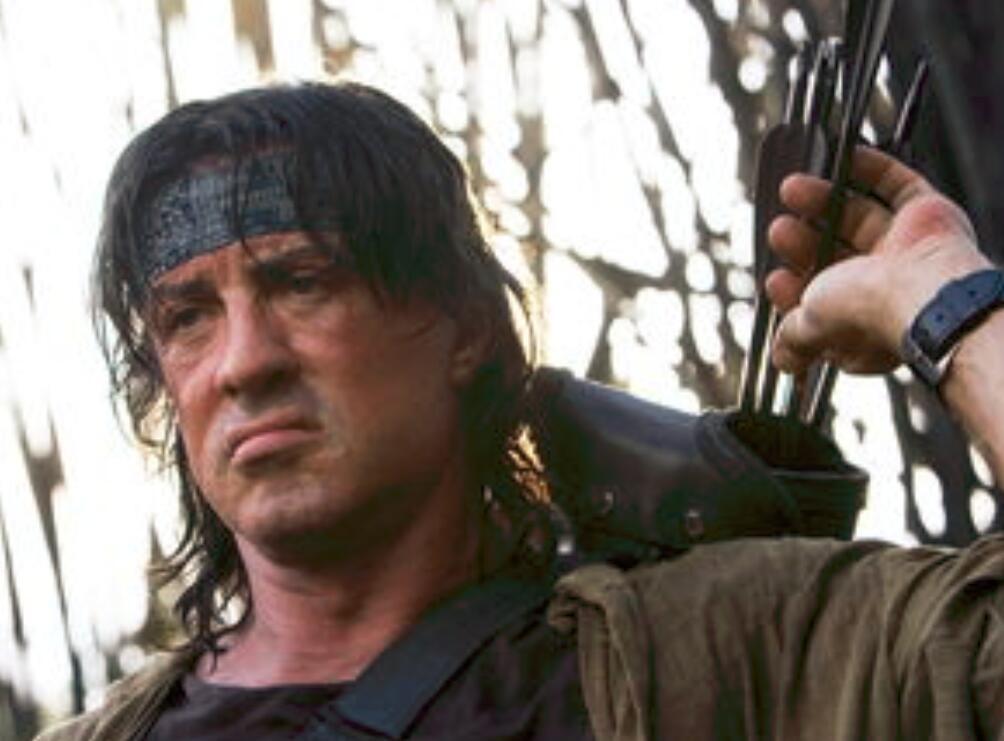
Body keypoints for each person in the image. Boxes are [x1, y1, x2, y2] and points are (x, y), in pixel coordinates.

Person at [36, 80, 1004, 740]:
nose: (243, 363)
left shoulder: (731, 650)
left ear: (466, 329)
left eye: (302, 282)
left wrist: (941, 301)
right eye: (188, 318)